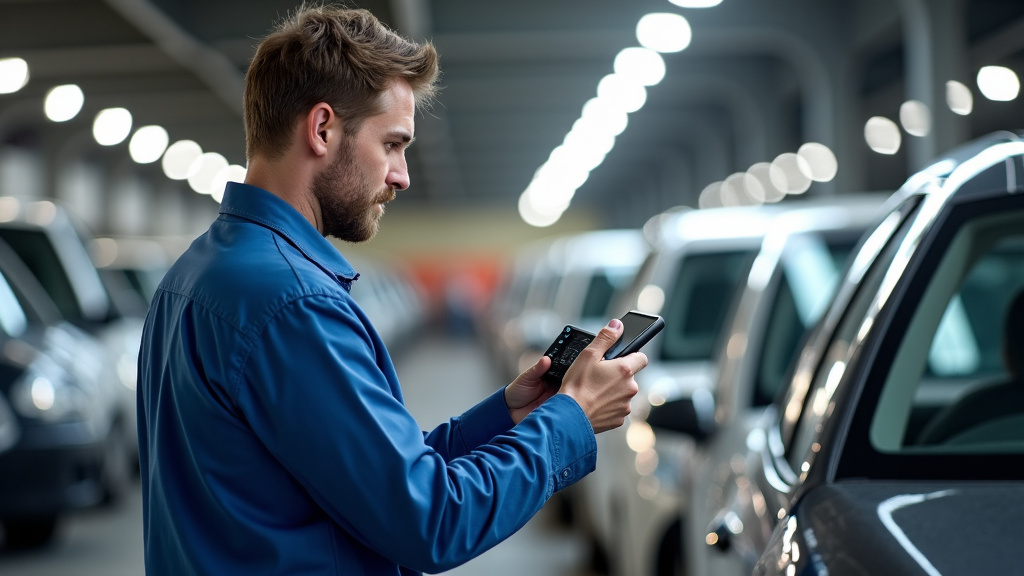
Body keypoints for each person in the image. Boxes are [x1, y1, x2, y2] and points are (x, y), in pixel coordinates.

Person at [136, 5, 647, 575]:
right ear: (322, 129)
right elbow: (432, 520)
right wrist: (572, 417)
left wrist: (509, 415)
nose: (402, 175)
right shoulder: (294, 305)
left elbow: (366, 473)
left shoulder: (193, 275)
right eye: (393, 144)